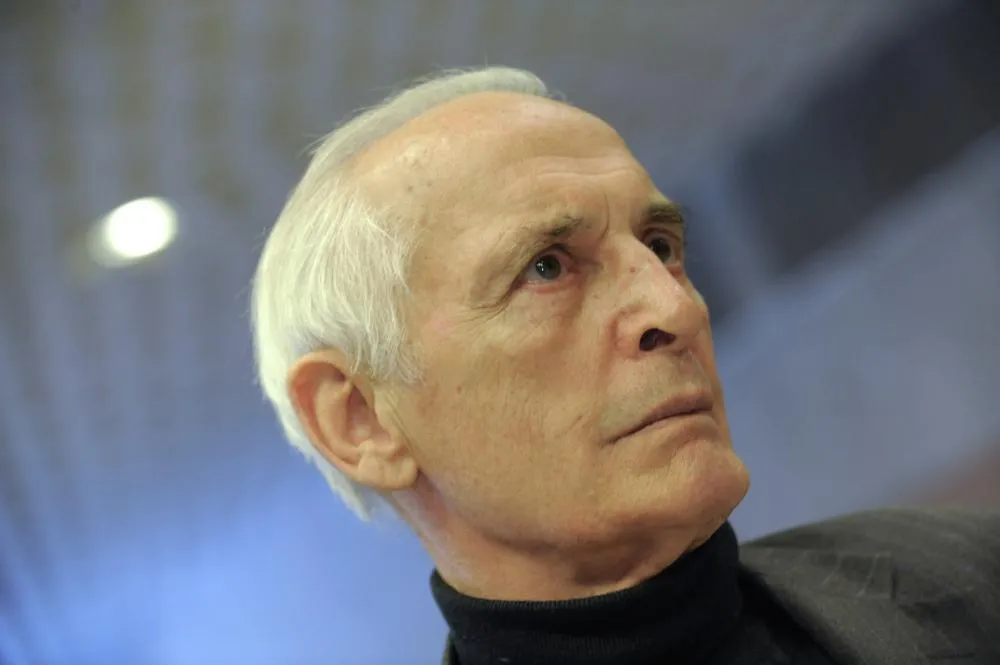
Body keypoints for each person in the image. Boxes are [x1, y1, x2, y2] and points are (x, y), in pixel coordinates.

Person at [250, 67, 999, 665]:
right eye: (546, 267)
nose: (674, 308)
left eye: (661, 246)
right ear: (360, 420)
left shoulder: (969, 572)